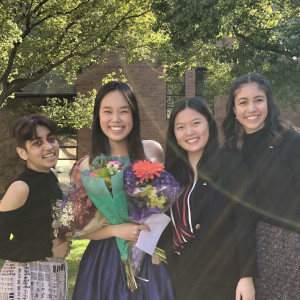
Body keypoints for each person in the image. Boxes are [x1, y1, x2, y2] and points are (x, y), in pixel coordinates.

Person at [72, 81, 175, 300]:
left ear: (134, 116)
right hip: (104, 262)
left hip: (148, 254)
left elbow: (163, 205)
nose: (115, 119)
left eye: (123, 111)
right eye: (107, 111)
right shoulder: (90, 165)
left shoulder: (151, 151)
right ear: (98, 116)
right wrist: (115, 230)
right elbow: (80, 229)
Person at [163, 97, 257, 300]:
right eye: (180, 127)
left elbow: (244, 219)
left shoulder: (230, 161)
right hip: (181, 277)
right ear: (174, 134)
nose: (189, 132)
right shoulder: (171, 174)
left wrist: (246, 277)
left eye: (196, 123)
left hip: (224, 278)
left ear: (209, 124)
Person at [222, 72, 300, 299]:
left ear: (268, 103)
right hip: (246, 251)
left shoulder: (291, 141)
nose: (252, 108)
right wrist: (244, 272)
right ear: (234, 110)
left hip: (291, 247)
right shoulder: (229, 151)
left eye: (258, 100)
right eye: (243, 102)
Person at [0, 115, 71, 300]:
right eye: (37, 142)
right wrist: (48, 250)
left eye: (52, 139)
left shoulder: (53, 176)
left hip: (55, 273)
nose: (49, 146)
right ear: (23, 152)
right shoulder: (20, 187)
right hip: (25, 278)